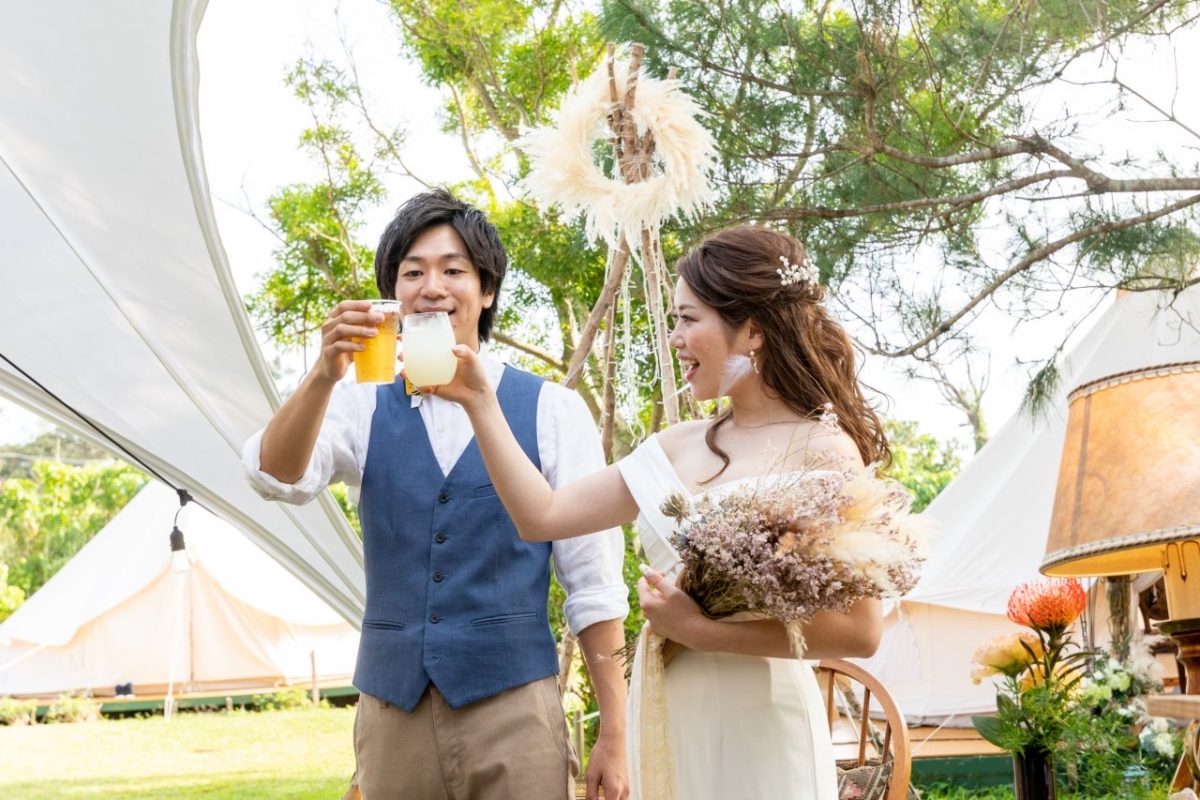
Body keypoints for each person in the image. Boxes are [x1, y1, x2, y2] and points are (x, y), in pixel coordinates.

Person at [429, 225, 888, 799]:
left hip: (765, 725)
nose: (673, 339)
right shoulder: (674, 448)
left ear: (752, 330)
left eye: (688, 320)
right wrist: (480, 403)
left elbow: (861, 631)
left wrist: (700, 631)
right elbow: (540, 516)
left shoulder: (825, 450)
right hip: (671, 712)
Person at [242, 189, 630, 800]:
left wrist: (615, 733)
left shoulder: (552, 410)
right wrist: (322, 374)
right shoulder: (360, 403)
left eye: (453, 270)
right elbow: (275, 477)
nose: (432, 288)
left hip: (515, 710)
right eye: (413, 272)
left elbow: (594, 583)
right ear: (392, 293)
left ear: (487, 289)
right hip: (391, 710)